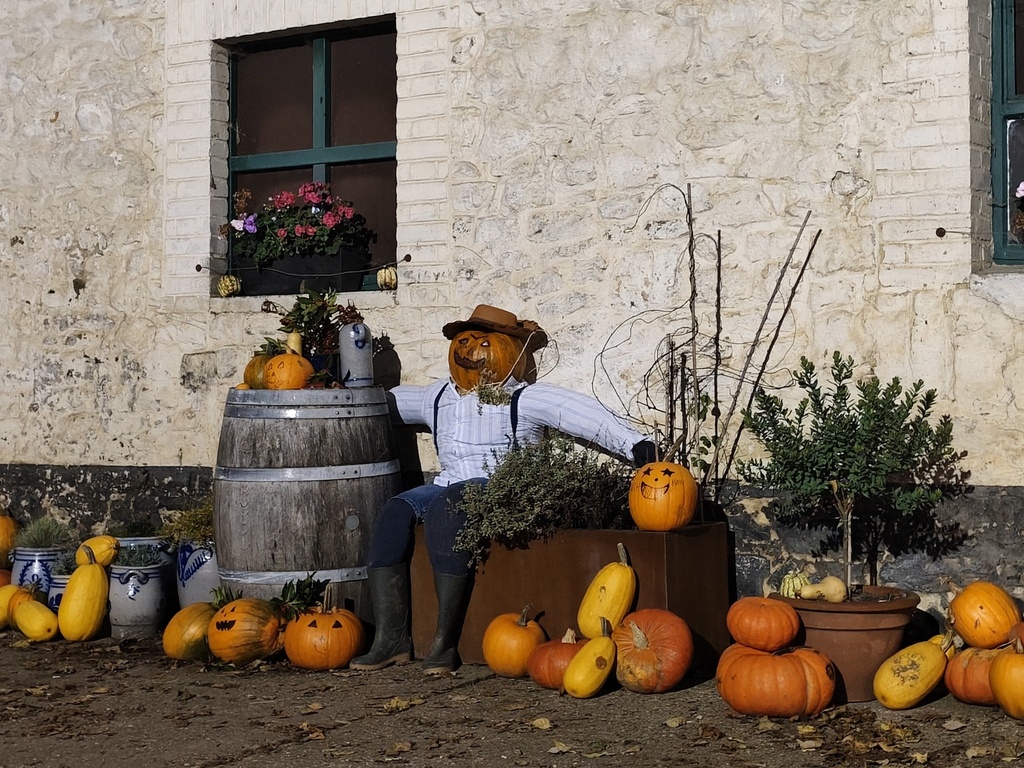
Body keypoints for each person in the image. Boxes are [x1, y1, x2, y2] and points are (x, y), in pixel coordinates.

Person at [349, 305, 656, 674]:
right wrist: (342, 396)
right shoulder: (438, 396)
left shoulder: (522, 398)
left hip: (497, 486)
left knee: (448, 506)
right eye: (464, 342)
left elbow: (578, 412)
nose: (471, 351)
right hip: (449, 482)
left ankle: (444, 641)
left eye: (484, 343)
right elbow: (389, 401)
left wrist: (635, 444)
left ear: (510, 350)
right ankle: (391, 639)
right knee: (394, 512)